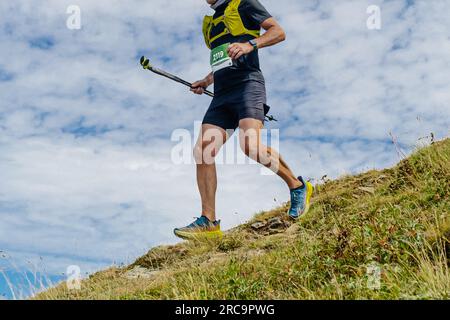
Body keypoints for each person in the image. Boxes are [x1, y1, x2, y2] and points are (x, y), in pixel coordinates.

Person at [174, 0, 313, 240]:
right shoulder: (213, 22)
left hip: (248, 85)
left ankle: (298, 186)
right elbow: (223, 60)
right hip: (222, 95)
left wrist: (251, 44)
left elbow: (278, 32)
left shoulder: (244, 3)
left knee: (251, 146)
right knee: (204, 151)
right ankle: (208, 220)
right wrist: (206, 81)